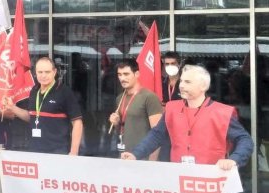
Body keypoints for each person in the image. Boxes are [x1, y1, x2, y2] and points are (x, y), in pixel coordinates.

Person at [121, 65, 253, 170]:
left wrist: (234, 159)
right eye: (182, 81)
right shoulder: (172, 108)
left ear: (203, 86)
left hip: (211, 178)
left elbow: (245, 140)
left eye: (188, 82)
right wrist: (135, 154)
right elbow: (156, 135)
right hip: (179, 175)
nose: (182, 85)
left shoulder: (222, 112)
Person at [3, 57, 83, 155]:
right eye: (40, 72)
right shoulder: (34, 91)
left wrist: (74, 151)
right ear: (35, 73)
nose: (43, 75)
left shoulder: (64, 92)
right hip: (34, 150)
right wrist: (12, 107)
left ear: (54, 72)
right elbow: (31, 117)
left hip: (57, 151)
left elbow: (77, 122)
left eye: (47, 72)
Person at [108, 59, 163, 159]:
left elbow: (158, 134)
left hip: (142, 158)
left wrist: (152, 163)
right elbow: (124, 128)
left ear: (136, 74)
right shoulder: (120, 98)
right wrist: (116, 123)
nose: (122, 78)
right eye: (119, 74)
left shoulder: (149, 97)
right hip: (123, 155)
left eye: (126, 74)